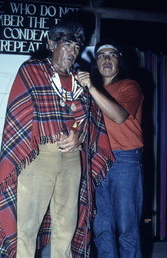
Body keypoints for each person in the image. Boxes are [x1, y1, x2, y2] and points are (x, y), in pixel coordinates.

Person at [0, 22, 114, 258]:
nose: (72, 51)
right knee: (27, 225)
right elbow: (21, 116)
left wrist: (79, 137)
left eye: (76, 47)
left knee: (67, 224)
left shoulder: (81, 78)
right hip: (39, 156)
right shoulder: (32, 70)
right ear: (52, 45)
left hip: (72, 158)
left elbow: (91, 119)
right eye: (66, 45)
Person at [77, 40, 144, 257]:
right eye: (101, 55)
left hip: (124, 159)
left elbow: (118, 116)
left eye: (112, 54)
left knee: (127, 227)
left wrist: (92, 88)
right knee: (101, 227)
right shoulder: (89, 92)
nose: (106, 59)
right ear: (96, 62)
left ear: (119, 60)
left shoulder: (129, 86)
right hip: (97, 161)